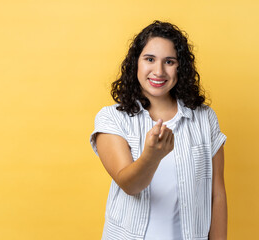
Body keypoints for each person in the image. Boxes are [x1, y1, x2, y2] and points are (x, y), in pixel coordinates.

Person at [90, 20, 227, 240]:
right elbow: (130, 185)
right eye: (150, 59)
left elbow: (217, 195)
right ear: (136, 63)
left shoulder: (204, 119)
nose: (159, 71)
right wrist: (151, 157)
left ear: (180, 67)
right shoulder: (113, 117)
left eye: (169, 61)